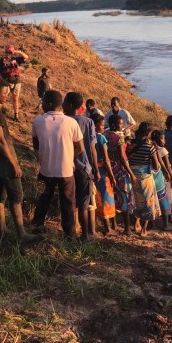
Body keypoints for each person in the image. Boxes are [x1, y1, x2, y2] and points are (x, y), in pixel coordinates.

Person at [0, 76, 41, 243]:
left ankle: (2, 228)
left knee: (0, 194)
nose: (7, 96)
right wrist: (14, 163)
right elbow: (0, 140)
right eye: (4, 93)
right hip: (4, 160)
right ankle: (22, 233)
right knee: (16, 195)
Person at [31, 90, 85, 238]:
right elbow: (80, 147)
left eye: (42, 102)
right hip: (66, 169)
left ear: (48, 103)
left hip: (46, 168)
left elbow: (36, 146)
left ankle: (37, 224)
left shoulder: (37, 121)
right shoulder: (71, 122)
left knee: (45, 197)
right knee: (68, 201)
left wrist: (43, 158)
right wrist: (67, 155)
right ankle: (70, 234)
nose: (41, 105)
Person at [63, 92, 99, 240]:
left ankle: (72, 234)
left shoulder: (63, 121)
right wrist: (95, 168)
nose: (63, 105)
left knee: (70, 202)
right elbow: (92, 148)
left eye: (65, 102)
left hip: (67, 167)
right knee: (84, 203)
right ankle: (85, 235)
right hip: (84, 167)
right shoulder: (88, 122)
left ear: (70, 105)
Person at [125, 122, 162, 236]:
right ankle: (144, 229)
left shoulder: (130, 143)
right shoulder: (149, 145)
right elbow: (156, 166)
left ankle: (136, 223)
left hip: (131, 176)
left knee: (136, 201)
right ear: (148, 133)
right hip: (145, 177)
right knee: (148, 203)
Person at [106, 114, 137, 234]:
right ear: (114, 124)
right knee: (125, 197)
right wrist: (131, 174)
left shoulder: (104, 135)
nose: (122, 126)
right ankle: (127, 228)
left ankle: (113, 225)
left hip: (109, 168)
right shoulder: (119, 138)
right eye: (120, 124)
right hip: (120, 170)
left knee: (112, 196)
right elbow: (123, 158)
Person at [92, 114, 117, 235]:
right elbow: (106, 160)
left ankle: (97, 225)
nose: (104, 127)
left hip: (91, 169)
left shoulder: (87, 136)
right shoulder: (101, 138)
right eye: (102, 125)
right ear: (96, 126)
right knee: (105, 198)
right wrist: (111, 175)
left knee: (95, 197)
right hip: (101, 170)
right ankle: (108, 228)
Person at [151, 130, 172, 230]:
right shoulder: (162, 150)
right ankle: (165, 224)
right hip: (160, 177)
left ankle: (152, 223)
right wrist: (171, 176)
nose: (164, 140)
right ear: (157, 140)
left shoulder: (150, 147)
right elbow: (166, 165)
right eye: (162, 138)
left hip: (151, 177)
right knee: (163, 199)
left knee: (152, 200)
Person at [0, 51, 23, 121]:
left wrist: (17, 51)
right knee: (2, 97)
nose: (9, 54)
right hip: (6, 82)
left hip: (16, 82)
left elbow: (26, 57)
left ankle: (16, 115)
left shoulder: (16, 59)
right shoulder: (2, 61)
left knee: (15, 98)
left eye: (10, 52)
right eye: (7, 52)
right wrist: (2, 81)